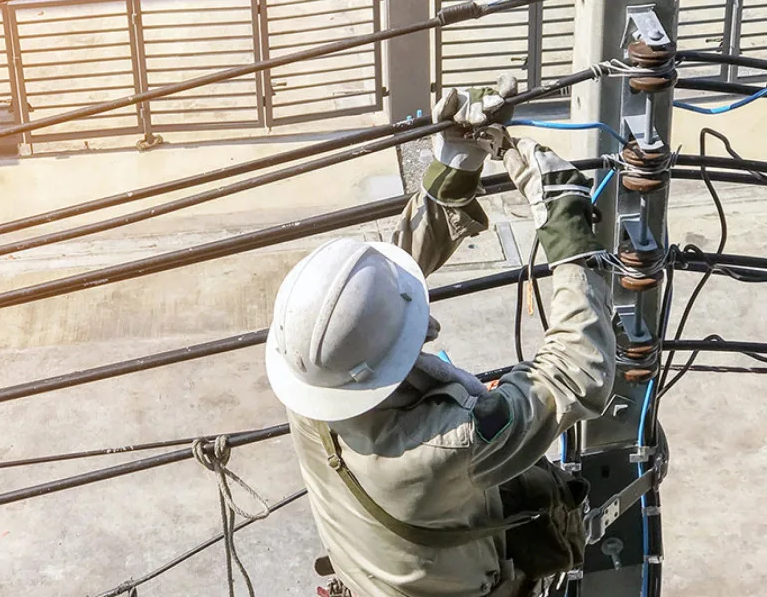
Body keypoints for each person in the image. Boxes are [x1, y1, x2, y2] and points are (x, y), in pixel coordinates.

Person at [264, 74, 616, 597]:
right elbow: (579, 372)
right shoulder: (443, 446)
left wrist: (455, 167)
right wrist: (568, 232)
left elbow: (368, 303)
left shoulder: (308, 371)